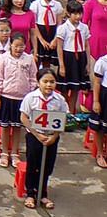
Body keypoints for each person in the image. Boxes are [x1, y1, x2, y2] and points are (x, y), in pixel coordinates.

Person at [19, 68, 68, 209]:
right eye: (45, 81)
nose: (48, 85)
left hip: (51, 137)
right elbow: (24, 117)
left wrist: (54, 136)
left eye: (52, 82)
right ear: (38, 82)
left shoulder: (59, 100)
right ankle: (30, 193)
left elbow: (63, 119)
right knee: (32, 164)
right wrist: (37, 134)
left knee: (47, 166)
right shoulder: (31, 98)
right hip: (35, 136)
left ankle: (43, 193)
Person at [0, 32, 37, 169]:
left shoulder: (29, 59)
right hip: (6, 97)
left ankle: (15, 153)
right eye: (16, 46)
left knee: (17, 127)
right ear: (11, 45)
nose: (18, 49)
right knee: (5, 126)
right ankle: (4, 152)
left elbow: (33, 78)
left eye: (21, 46)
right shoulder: (3, 58)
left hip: (22, 99)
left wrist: (31, 94)